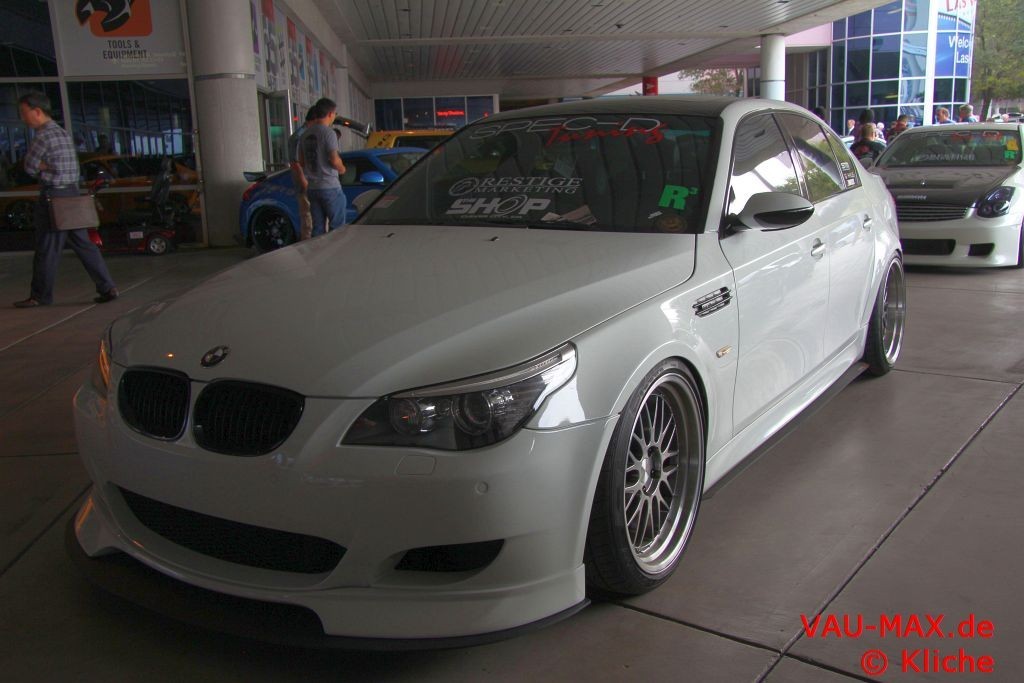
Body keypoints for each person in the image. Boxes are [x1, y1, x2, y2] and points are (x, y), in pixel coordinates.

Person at [13, 91, 118, 308]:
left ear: (37, 111)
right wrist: (48, 165)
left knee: (47, 248)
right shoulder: (62, 133)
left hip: (53, 198)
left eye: (24, 113)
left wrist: (44, 166)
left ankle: (40, 296)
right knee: (84, 245)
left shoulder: (42, 136)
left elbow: (29, 166)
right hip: (71, 195)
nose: (23, 118)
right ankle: (107, 287)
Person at [298, 98, 347, 236]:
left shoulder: (305, 135)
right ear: (330, 114)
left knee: (317, 229)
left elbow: (301, 162)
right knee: (337, 229)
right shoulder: (328, 133)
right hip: (330, 186)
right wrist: (342, 169)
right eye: (335, 114)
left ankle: (318, 250)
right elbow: (334, 159)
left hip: (312, 188)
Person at [289, 107, 315, 241]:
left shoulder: (307, 134)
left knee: (311, 219)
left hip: (311, 182)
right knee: (308, 221)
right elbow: (295, 162)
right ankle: (308, 248)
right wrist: (304, 181)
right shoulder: (300, 136)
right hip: (305, 183)